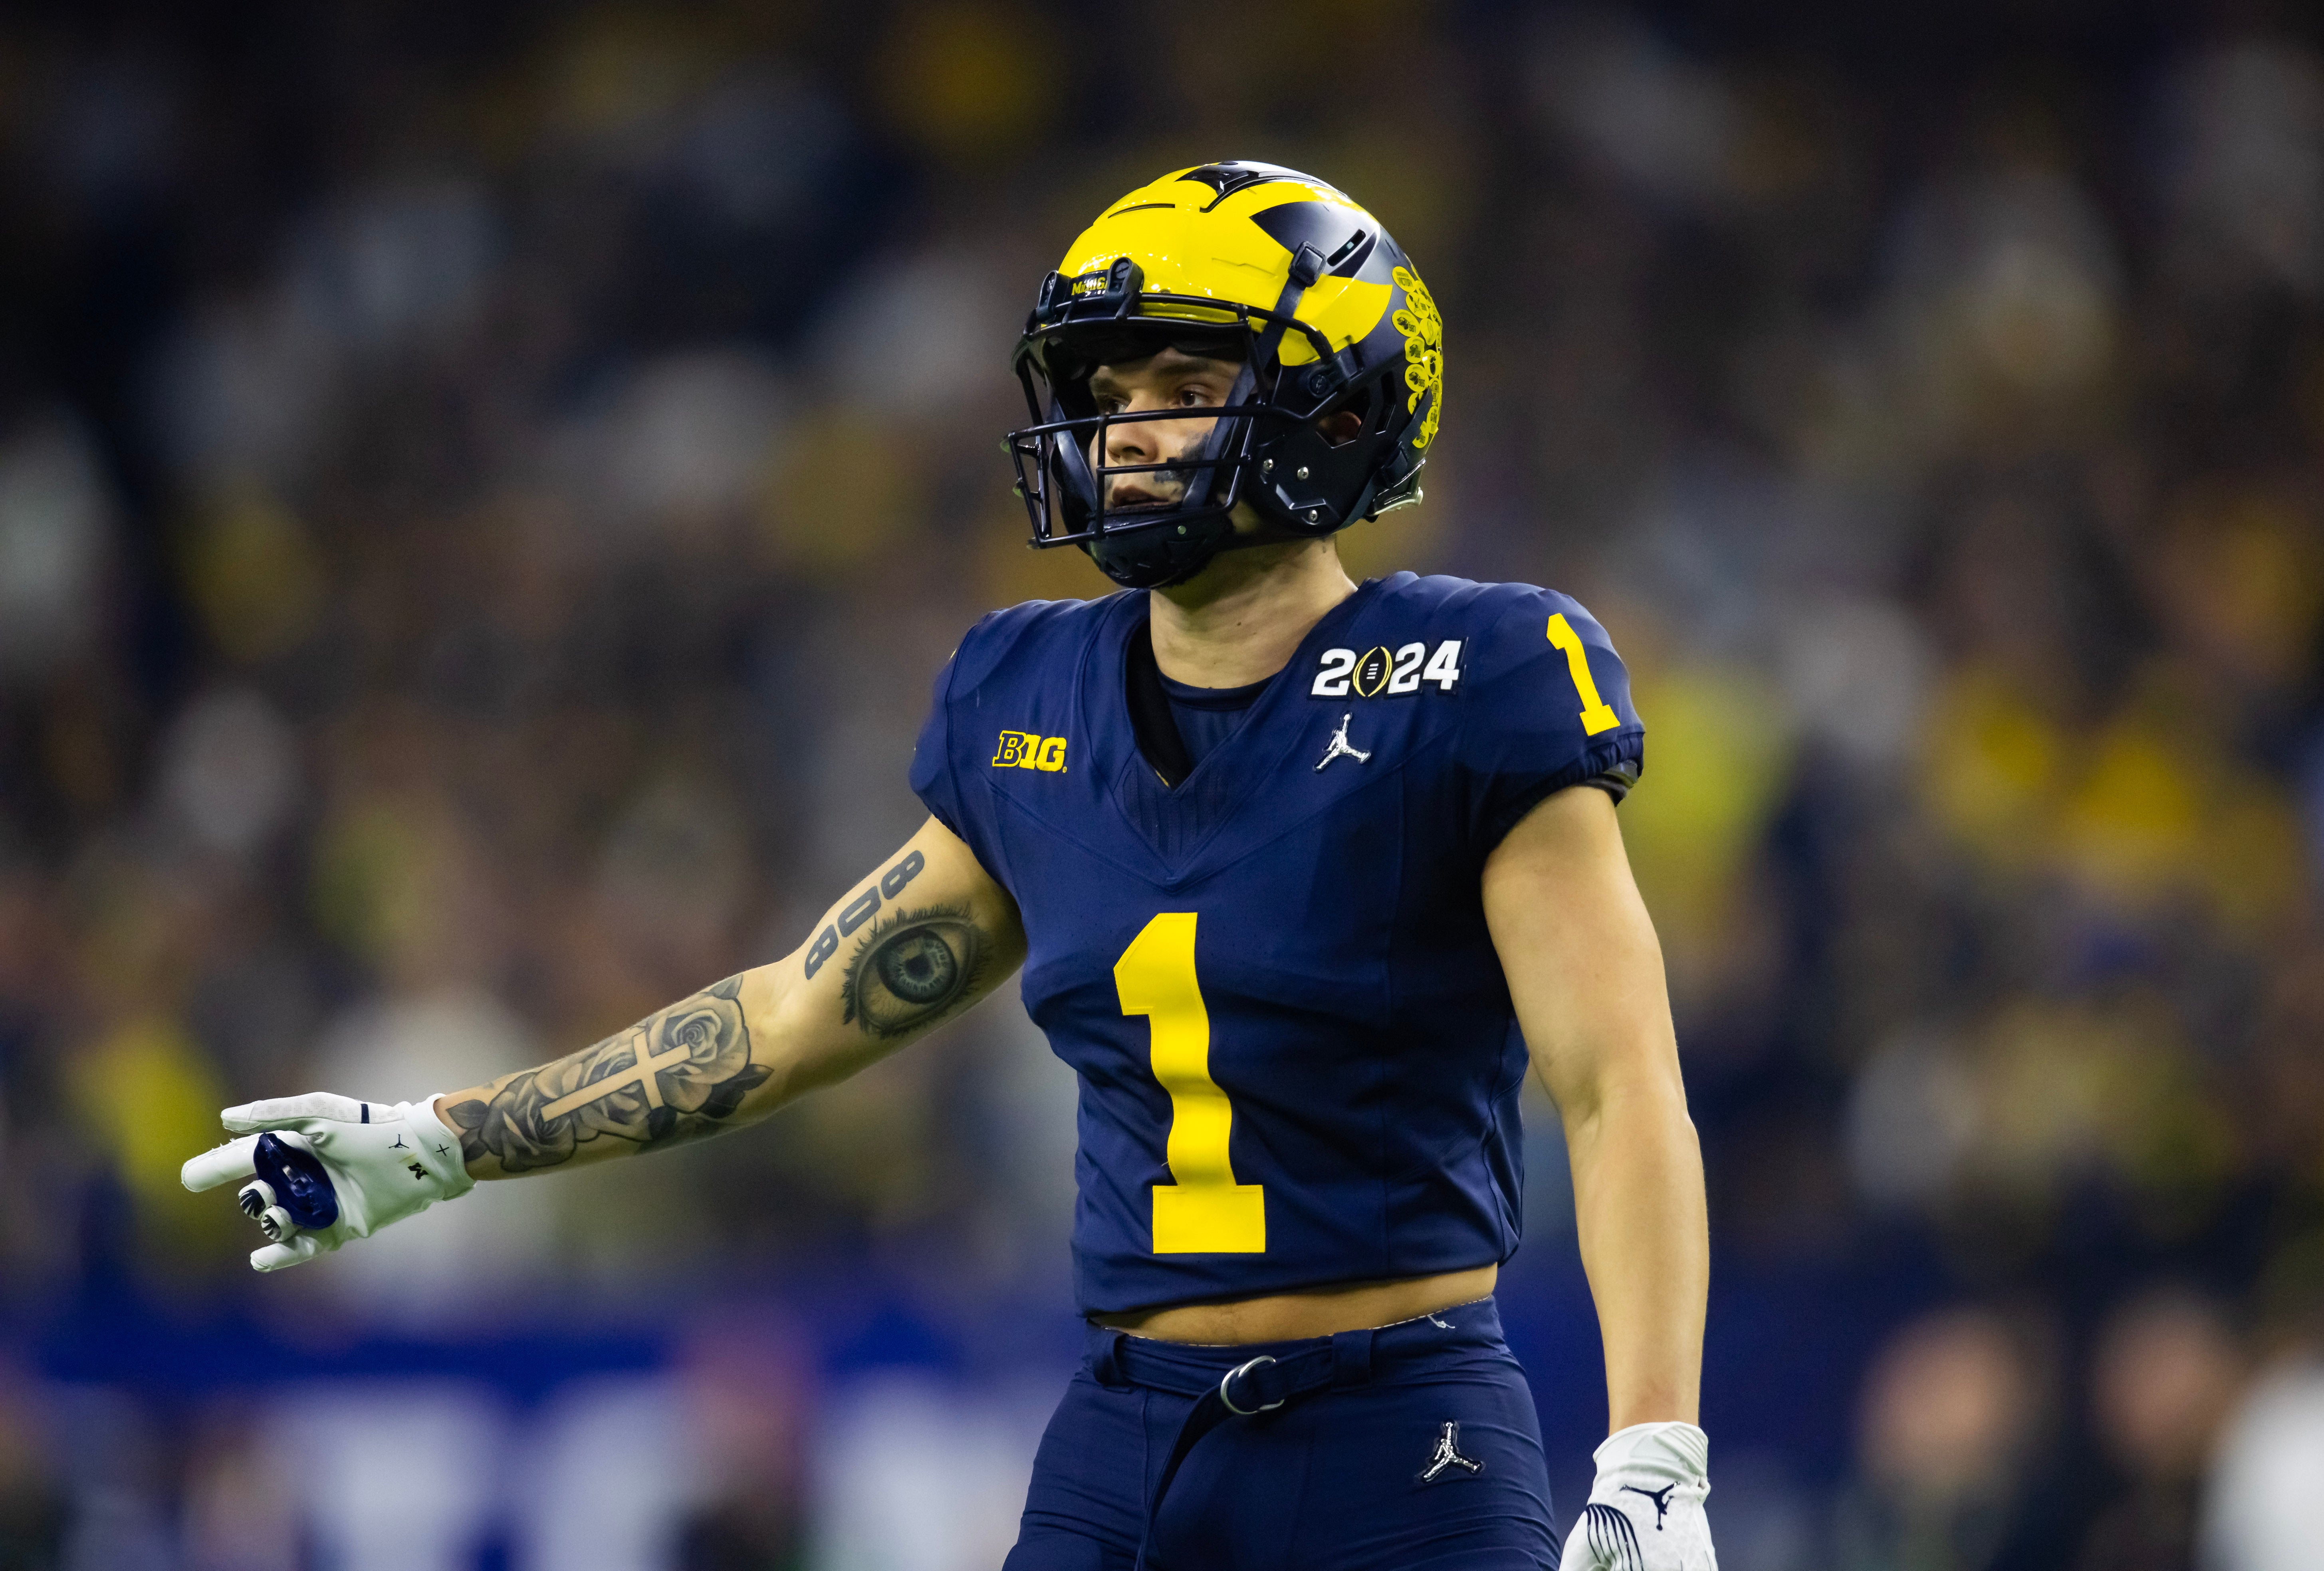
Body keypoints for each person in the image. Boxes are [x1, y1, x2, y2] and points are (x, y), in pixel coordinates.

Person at [182, 160, 1716, 1571]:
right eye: (1110, 392)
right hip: (1126, 1433)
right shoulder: (1026, 698)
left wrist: (1653, 1449)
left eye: (1187, 383)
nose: (1128, 433)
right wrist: (450, 1140)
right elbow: (789, 1019)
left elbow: (1617, 1081)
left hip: (1405, 1436)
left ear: (1341, 405)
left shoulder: (1474, 675)